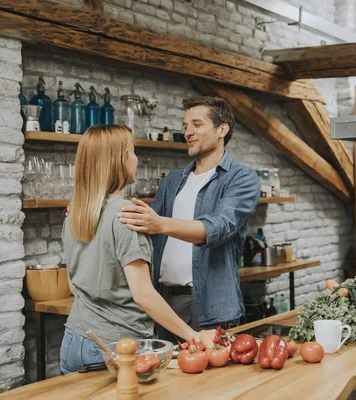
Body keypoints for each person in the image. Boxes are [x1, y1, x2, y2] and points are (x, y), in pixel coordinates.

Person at [60, 125, 213, 374]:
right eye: (131, 152)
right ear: (119, 161)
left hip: (74, 340)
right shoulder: (128, 217)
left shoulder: (75, 214)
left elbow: (73, 285)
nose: (136, 159)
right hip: (114, 347)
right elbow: (143, 294)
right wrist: (191, 335)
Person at [118, 96, 260, 343]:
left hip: (208, 305)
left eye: (197, 124)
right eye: (185, 126)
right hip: (163, 302)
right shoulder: (173, 180)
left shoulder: (241, 178)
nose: (188, 132)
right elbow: (146, 224)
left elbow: (219, 227)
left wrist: (162, 224)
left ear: (222, 129)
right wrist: (97, 208)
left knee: (210, 380)